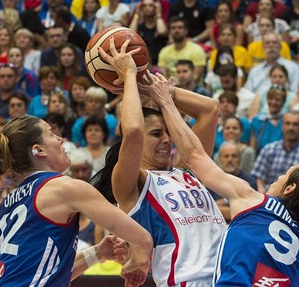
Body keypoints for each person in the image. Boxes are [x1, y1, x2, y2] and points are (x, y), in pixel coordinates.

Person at [142, 71, 299, 286]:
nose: (277, 178)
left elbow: (193, 156)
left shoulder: (255, 202)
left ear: (290, 188)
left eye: (285, 175)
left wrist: (165, 101)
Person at [93, 37, 226, 286]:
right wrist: (130, 76)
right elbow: (132, 130)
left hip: (228, 279)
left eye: (168, 133)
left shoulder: (191, 172)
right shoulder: (132, 183)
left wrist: (153, 89)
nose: (167, 139)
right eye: (156, 134)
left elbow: (210, 109)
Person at [0, 115, 152, 286]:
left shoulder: (8, 202)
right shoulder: (64, 188)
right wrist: (137, 264)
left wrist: (98, 252)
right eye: (51, 134)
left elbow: (48, 274)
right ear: (38, 150)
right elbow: (142, 240)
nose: (61, 139)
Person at [251, 111, 299, 193]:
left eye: (295, 124)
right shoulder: (268, 149)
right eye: (287, 123)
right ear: (282, 126)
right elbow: (259, 178)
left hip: (294, 200)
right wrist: (263, 197)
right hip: (268, 197)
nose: (291, 128)